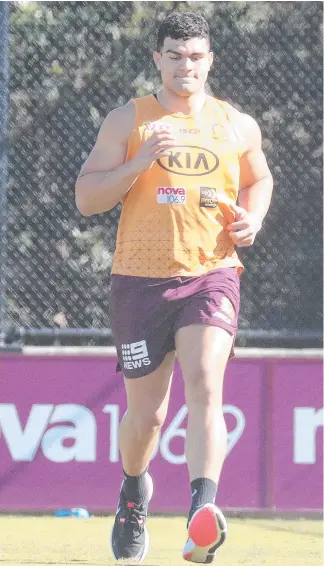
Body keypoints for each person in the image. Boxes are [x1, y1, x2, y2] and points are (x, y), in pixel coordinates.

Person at [75, 10, 273, 564]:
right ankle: (133, 494)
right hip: (139, 282)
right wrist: (139, 161)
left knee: (207, 378)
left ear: (209, 60)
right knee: (148, 418)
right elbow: (87, 198)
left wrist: (253, 219)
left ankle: (201, 513)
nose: (186, 66)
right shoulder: (128, 120)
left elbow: (260, 177)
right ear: (157, 59)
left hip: (212, 272)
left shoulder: (236, 124)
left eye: (196, 57)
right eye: (175, 56)